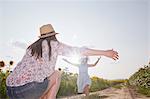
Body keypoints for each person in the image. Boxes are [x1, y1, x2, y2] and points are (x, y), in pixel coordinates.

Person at [6, 24, 119, 99]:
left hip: (11, 90)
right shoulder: (54, 45)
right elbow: (80, 51)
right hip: (27, 90)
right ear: (54, 35)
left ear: (41, 37)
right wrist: (105, 52)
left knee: (44, 81)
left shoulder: (32, 47)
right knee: (56, 74)